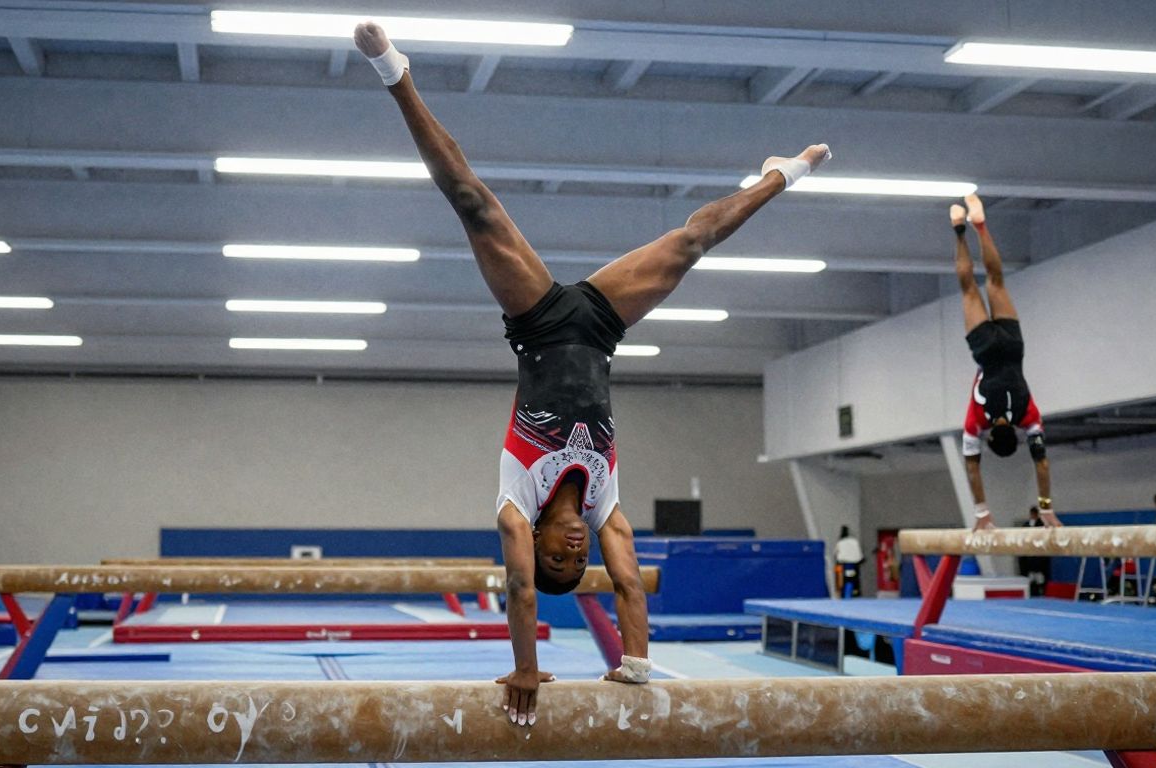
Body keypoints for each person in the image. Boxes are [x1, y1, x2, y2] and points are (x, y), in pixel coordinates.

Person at [355, 22, 831, 727]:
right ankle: (778, 174)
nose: (572, 552)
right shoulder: (605, 505)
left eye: (559, 559)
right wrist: (636, 665)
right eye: (576, 564)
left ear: (540, 543)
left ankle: (397, 77)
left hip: (541, 325)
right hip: (603, 328)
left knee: (474, 205)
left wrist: (524, 667)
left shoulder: (516, 500)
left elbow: (519, 586)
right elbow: (631, 582)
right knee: (693, 242)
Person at [951, 194, 1060, 532]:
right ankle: (959, 230)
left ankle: (980, 226)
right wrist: (981, 511)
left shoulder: (1028, 415)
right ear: (988, 438)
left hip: (1013, 348)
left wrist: (1046, 508)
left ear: (1015, 433)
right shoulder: (976, 421)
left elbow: (1042, 464)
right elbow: (971, 469)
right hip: (984, 350)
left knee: (996, 281)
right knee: (969, 289)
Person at [1018, 506, 1049, 596]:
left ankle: (1042, 595)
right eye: (1031, 514)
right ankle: (1032, 595)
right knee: (1031, 585)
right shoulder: (1026, 525)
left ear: (1036, 514)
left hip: (1039, 559)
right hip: (1029, 560)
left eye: (1034, 514)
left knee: (1041, 583)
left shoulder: (1042, 524)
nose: (1032, 516)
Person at [834, 525, 863, 597]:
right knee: (855, 578)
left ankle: (839, 591)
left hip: (842, 564)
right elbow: (860, 555)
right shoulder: (855, 541)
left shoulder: (840, 542)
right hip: (854, 564)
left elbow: (835, 553)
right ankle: (856, 590)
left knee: (838, 575)